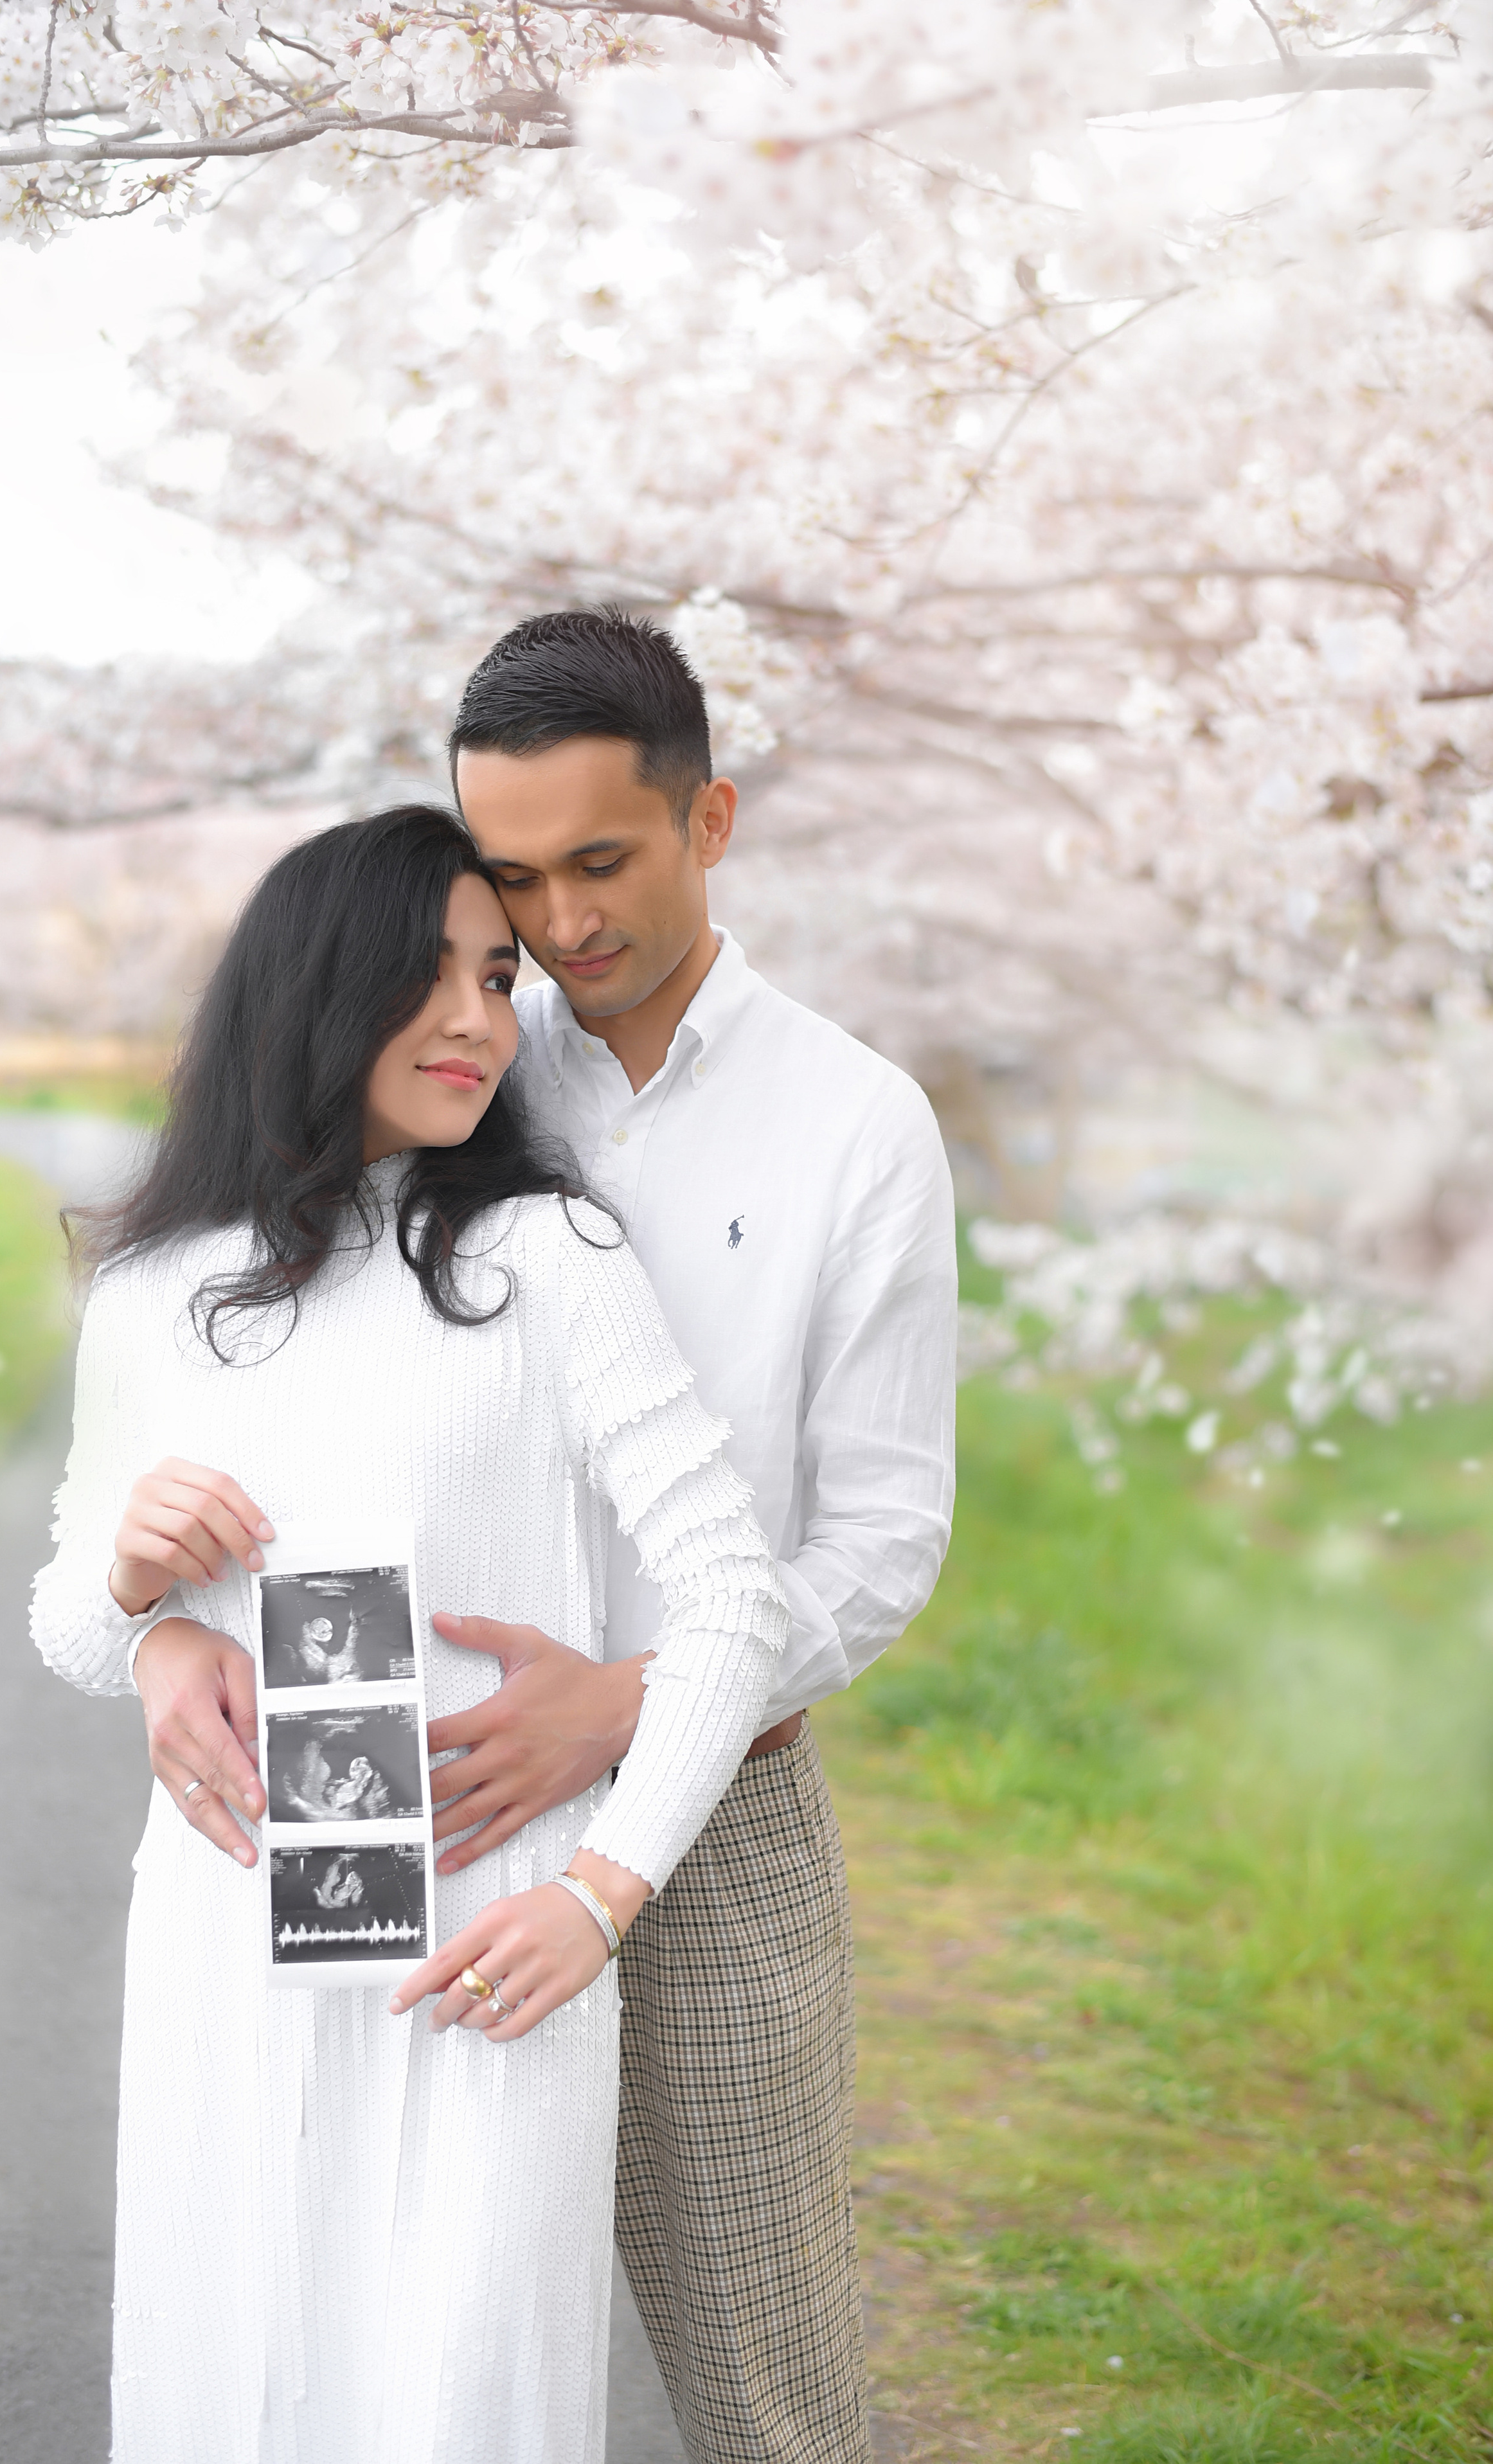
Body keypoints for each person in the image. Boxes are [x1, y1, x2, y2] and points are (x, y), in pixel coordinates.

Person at [29, 805, 788, 2464]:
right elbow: (69, 1612)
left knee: (464, 2406)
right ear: (315, 989)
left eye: (498, 977)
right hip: (234, 1942)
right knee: (240, 2389)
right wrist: (140, 1607)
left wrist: (602, 1896)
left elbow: (738, 1597)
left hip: (490, 1946)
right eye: (428, 975)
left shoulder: (544, 1258)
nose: (477, 1019)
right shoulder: (160, 1292)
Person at [431, 609, 958, 2464]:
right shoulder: (454, 1074)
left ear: (707, 819)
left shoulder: (857, 1124)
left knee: (765, 2386)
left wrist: (636, 1702)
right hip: (454, 1811)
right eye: (514, 878)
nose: (561, 921)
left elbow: (883, 1533)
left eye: (603, 860)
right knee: (439, 2356)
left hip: (725, 1822)